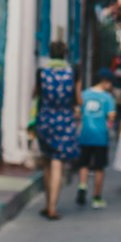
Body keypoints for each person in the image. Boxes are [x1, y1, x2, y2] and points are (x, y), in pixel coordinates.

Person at [33, 40, 81, 220]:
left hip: (45, 119)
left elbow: (35, 95)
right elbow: (78, 99)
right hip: (64, 120)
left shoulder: (42, 72)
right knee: (57, 162)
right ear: (65, 54)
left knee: (47, 161)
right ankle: (53, 207)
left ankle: (47, 204)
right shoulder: (73, 73)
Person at [76, 72, 116, 209]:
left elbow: (77, 112)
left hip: (85, 134)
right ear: (105, 81)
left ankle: (82, 187)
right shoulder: (107, 97)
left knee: (84, 164)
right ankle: (97, 197)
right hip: (100, 136)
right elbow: (111, 116)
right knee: (99, 167)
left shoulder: (84, 94)